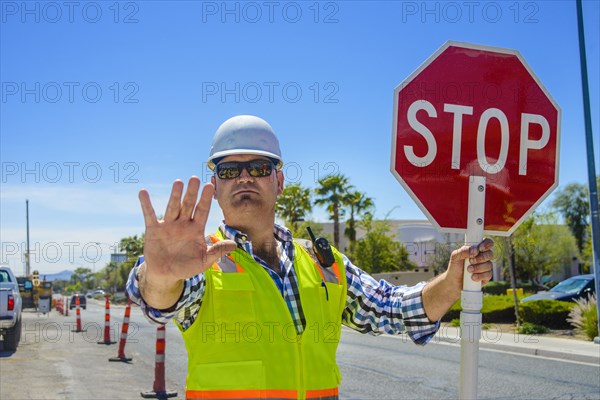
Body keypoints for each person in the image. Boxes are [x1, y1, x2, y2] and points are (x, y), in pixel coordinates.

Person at [126, 115, 493, 400]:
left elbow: (393, 309)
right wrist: (158, 277)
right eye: (229, 170)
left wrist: (451, 282)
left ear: (279, 182)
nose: (244, 178)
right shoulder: (202, 262)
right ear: (216, 186)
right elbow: (162, 300)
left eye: (258, 168)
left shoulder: (322, 262)